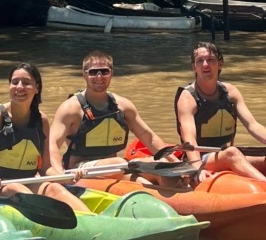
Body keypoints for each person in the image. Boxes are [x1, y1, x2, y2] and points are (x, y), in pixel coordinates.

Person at [0, 63, 89, 213]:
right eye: (15, 82)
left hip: (27, 183)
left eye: (26, 83)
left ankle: (93, 221)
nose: (19, 87)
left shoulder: (41, 120)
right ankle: (46, 216)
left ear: (37, 88)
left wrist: (65, 178)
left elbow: (45, 167)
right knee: (15, 188)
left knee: (54, 188)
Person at [175, 42, 266, 184]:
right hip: (200, 159)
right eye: (200, 61)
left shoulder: (231, 92)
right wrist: (196, 166)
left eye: (211, 60)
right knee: (232, 152)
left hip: (226, 155)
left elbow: (252, 125)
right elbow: (189, 137)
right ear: (194, 67)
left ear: (220, 64)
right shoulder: (187, 98)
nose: (205, 65)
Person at [47, 50, 174, 183]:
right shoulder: (70, 108)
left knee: (164, 166)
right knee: (121, 165)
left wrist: (174, 161)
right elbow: (52, 144)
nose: (99, 77)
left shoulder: (124, 106)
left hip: (117, 167)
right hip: (81, 169)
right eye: (93, 72)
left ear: (111, 73)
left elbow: (149, 137)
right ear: (84, 75)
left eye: (104, 71)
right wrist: (60, 174)